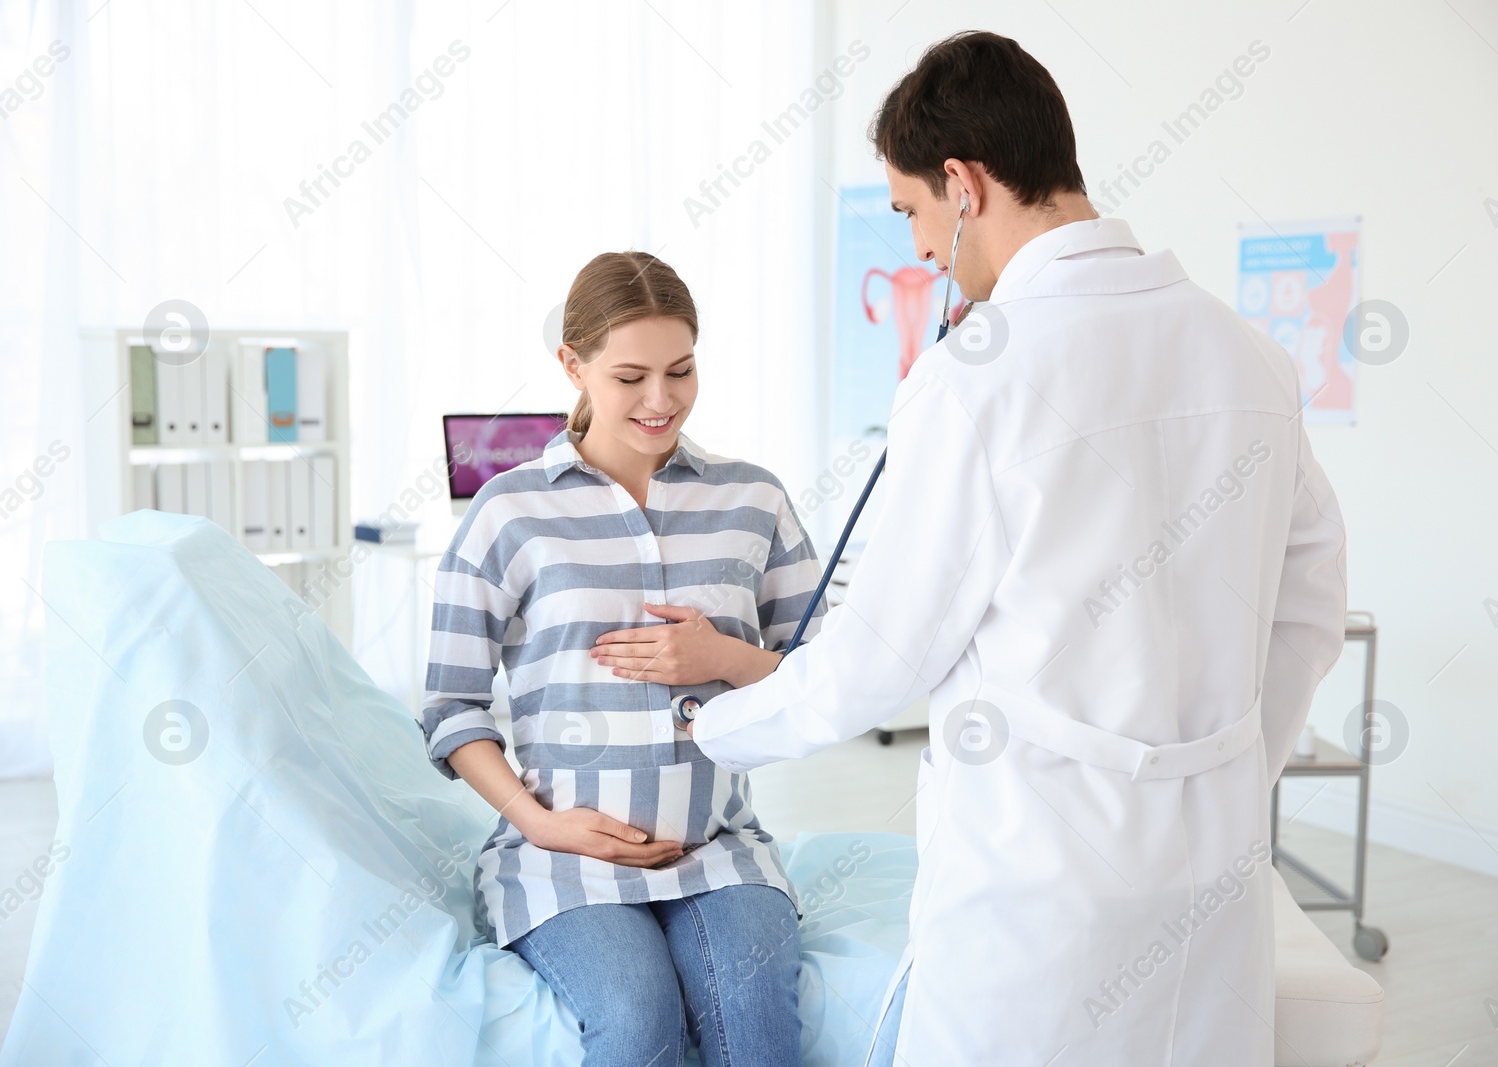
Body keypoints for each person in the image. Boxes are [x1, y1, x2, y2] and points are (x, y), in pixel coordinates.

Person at [687, 30, 1347, 1066]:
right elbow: (1309, 600)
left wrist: (715, 727)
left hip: (1036, 900)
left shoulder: (972, 382)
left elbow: (881, 657)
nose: (911, 247)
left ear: (963, 183)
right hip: (1212, 869)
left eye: (908, 211)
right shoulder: (1248, 353)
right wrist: (1217, 767)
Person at [419, 251, 823, 1067]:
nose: (660, 399)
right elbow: (450, 707)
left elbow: (824, 670)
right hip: (558, 857)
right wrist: (541, 823)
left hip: (718, 849)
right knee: (638, 1020)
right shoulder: (509, 510)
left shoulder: (753, 499)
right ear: (572, 365)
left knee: (755, 1023)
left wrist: (722, 655)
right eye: (630, 374)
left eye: (681, 369)